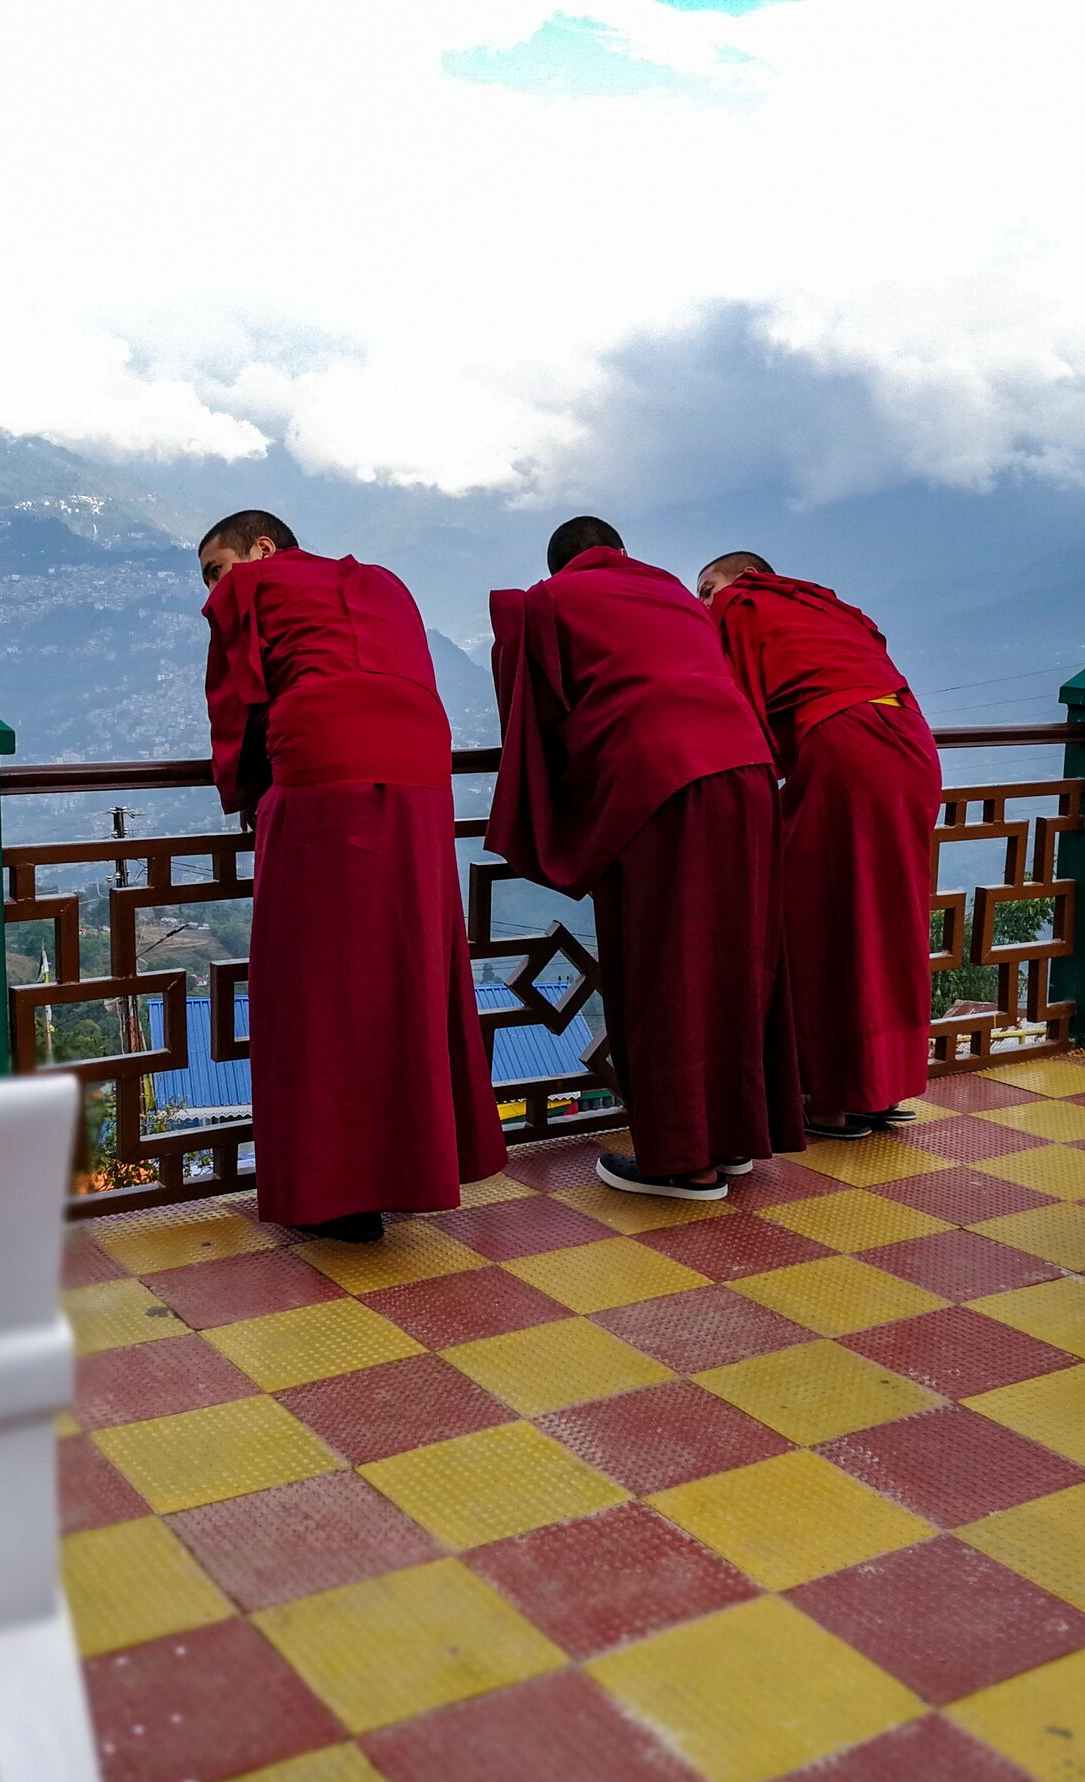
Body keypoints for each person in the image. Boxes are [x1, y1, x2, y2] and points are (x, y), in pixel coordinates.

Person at [197, 510, 506, 1242]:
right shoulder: (381, 583)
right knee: (407, 963)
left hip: (327, 768)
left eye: (216, 570)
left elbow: (237, 706)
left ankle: (341, 1194)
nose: (212, 591)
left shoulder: (257, 585)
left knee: (319, 979)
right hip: (423, 775)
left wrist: (246, 794)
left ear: (262, 549)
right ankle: (415, 1165)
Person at [486, 516, 804, 1199]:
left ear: (558, 568)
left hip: (665, 781)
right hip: (748, 772)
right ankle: (736, 1138)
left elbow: (530, 708)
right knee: (737, 957)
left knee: (664, 966)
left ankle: (684, 1161)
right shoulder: (673, 593)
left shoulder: (549, 600)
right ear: (622, 554)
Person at [697, 551, 941, 1138]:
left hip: (846, 747)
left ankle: (827, 1098)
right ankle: (878, 1087)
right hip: (910, 742)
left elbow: (731, 706)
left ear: (744, 579)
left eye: (707, 587)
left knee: (815, 920)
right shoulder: (822, 604)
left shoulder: (741, 603)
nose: (703, 601)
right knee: (888, 918)